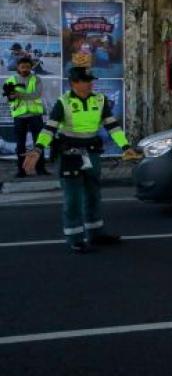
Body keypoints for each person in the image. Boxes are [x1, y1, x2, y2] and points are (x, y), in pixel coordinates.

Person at [26, 67, 141, 254]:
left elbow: (112, 126)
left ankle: (96, 234)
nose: (90, 83)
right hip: (70, 155)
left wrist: (125, 147)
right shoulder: (63, 102)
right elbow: (50, 128)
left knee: (93, 194)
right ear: (74, 83)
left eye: (90, 80)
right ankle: (75, 238)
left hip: (92, 153)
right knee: (73, 198)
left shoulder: (99, 100)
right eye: (85, 80)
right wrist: (38, 148)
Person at [5, 56, 49, 177]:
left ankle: (41, 169)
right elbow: (8, 96)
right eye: (22, 67)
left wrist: (19, 94)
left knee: (39, 143)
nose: (25, 69)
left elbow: (36, 95)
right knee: (20, 144)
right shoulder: (11, 79)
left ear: (31, 67)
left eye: (27, 67)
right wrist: (11, 96)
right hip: (19, 116)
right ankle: (21, 170)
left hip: (35, 115)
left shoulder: (37, 79)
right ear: (18, 67)